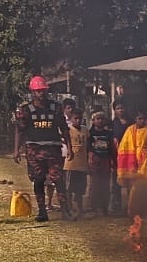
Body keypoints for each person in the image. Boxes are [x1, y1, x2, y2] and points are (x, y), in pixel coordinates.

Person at [12, 75, 70, 223]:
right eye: (38, 91)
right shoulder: (26, 110)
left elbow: (63, 128)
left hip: (53, 149)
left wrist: (70, 148)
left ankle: (66, 211)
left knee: (59, 180)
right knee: (38, 180)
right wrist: (16, 150)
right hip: (34, 151)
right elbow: (19, 130)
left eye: (43, 90)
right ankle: (42, 211)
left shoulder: (55, 107)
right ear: (33, 92)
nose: (41, 93)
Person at [116, 109, 147, 219]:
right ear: (135, 119)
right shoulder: (129, 130)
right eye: (140, 119)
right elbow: (124, 146)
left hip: (145, 160)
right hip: (132, 160)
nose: (142, 121)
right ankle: (132, 210)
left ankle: (145, 210)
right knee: (133, 186)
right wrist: (131, 160)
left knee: (146, 184)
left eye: (144, 119)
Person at [62, 106, 90, 220]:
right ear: (72, 118)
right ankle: (69, 208)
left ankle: (80, 209)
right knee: (69, 189)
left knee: (80, 189)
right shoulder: (67, 130)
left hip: (82, 164)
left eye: (80, 119)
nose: (78, 121)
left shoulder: (85, 130)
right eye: (75, 118)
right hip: (70, 164)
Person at [87, 111, 116, 215]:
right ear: (93, 121)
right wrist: (90, 159)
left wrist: (113, 160)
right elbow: (88, 148)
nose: (100, 121)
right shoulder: (89, 133)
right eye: (97, 119)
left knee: (105, 185)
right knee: (94, 185)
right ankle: (93, 207)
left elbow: (111, 148)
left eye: (101, 119)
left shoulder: (108, 134)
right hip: (94, 160)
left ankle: (104, 207)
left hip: (105, 161)